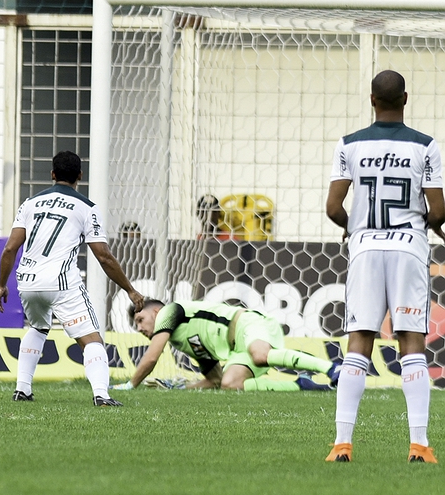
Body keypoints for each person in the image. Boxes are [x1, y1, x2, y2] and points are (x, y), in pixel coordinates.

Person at [325, 70, 445, 463]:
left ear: (372, 100)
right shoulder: (426, 146)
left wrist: (355, 228)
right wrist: (430, 225)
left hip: (365, 248)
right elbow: (438, 209)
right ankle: (419, 445)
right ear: (405, 99)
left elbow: (333, 208)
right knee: (411, 343)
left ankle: (342, 444)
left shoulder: (349, 144)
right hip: (408, 249)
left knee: (359, 341)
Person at [0, 150, 144, 406]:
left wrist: (1, 284)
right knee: (91, 339)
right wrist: (130, 289)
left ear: (53, 174)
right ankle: (102, 394)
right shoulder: (87, 208)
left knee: (38, 327)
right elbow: (104, 256)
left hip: (28, 280)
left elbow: (10, 248)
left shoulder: (29, 203)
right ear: (80, 176)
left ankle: (22, 389)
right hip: (61, 282)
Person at [121, 299, 338, 392]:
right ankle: (301, 384)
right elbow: (214, 380)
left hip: (247, 324)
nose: (139, 328)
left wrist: (131, 385)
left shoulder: (170, 311)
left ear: (157, 312)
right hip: (237, 350)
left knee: (260, 354)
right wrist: (179, 388)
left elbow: (152, 357)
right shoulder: (181, 340)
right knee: (229, 383)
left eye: (140, 320)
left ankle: (332, 368)